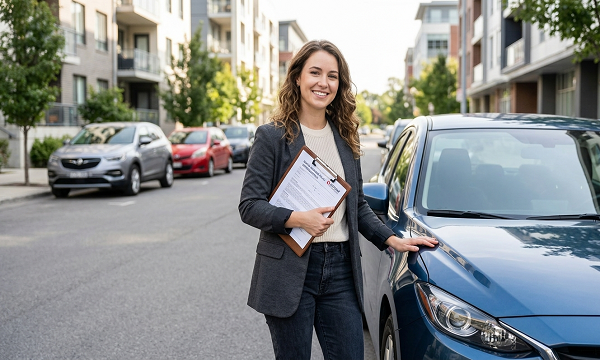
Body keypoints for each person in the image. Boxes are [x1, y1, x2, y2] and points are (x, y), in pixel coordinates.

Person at [238, 40, 438, 360]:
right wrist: (297, 219)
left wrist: (392, 239)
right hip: (290, 270)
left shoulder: (345, 136)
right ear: (298, 78)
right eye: (315, 73)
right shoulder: (272, 135)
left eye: (332, 76)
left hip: (341, 269)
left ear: (339, 85)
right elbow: (249, 205)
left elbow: (356, 205)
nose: (323, 82)